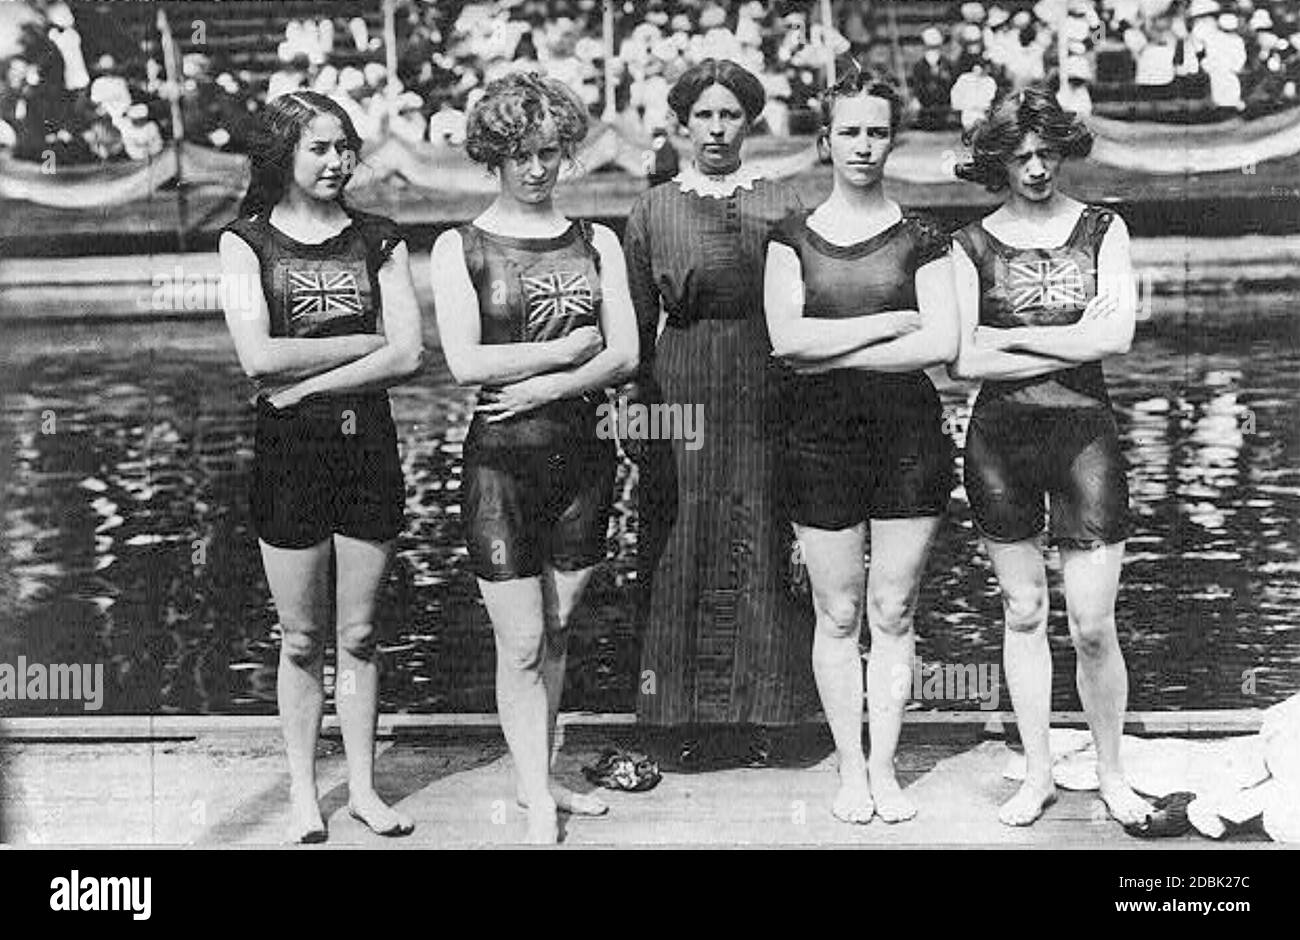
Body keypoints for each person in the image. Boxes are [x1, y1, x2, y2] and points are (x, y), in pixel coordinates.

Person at [429, 72, 638, 844]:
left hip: (583, 457)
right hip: (502, 465)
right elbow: (464, 362)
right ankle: (535, 794)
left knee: (557, 628)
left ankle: (539, 776)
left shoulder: (598, 241)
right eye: (521, 154)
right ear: (494, 156)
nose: (538, 168)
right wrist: (564, 350)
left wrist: (548, 383)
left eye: (550, 152)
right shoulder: (460, 246)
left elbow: (624, 353)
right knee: (519, 640)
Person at [219, 91, 424, 843]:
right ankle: (306, 794)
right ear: (284, 156)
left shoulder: (378, 238)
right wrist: (364, 341)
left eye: (344, 147)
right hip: (289, 457)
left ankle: (364, 790)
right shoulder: (245, 242)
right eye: (320, 148)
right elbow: (256, 355)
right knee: (302, 639)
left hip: (366, 450)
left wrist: (304, 384)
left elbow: (410, 353)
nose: (337, 161)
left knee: (361, 634)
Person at [951, 86, 1152, 828]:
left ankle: (1112, 773)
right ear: (998, 161)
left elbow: (1116, 338)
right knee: (1025, 609)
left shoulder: (1103, 229)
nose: (1036, 169)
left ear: (1063, 150)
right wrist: (1069, 338)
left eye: (1046, 153)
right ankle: (1037, 773)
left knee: (1092, 623)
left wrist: (1011, 337)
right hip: (999, 442)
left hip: (1084, 438)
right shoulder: (969, 244)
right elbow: (963, 360)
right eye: (1020, 156)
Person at [764, 69, 957, 824]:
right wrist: (885, 325)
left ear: (892, 141)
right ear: (825, 140)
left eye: (877, 132)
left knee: (894, 608)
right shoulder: (791, 238)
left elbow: (939, 344)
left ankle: (885, 768)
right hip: (819, 442)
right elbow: (786, 343)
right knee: (839, 612)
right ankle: (850, 767)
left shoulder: (924, 236)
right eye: (850, 131)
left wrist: (830, 349)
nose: (864, 145)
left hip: (908, 440)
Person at [624, 58, 815, 767]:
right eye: (702, 115)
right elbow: (635, 330)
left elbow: (807, 305)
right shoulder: (652, 209)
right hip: (679, 384)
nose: (715, 129)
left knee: (761, 529)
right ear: (681, 123)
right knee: (682, 534)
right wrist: (637, 422)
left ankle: (768, 717)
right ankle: (678, 719)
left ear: (749, 122)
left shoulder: (782, 203)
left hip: (765, 380)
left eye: (729, 114)